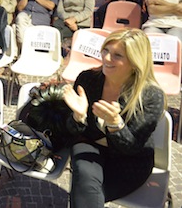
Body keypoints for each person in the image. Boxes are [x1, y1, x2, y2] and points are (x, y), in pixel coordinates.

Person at [62, 29, 165, 207]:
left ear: (135, 62)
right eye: (106, 50)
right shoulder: (88, 79)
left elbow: (132, 147)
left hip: (130, 162)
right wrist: (78, 117)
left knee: (87, 194)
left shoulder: (150, 95)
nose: (107, 58)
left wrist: (115, 124)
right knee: (85, 179)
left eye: (117, 55)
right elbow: (70, 131)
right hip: (90, 145)